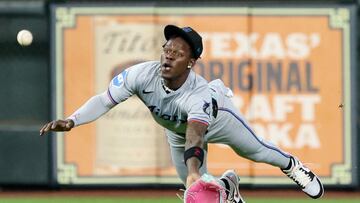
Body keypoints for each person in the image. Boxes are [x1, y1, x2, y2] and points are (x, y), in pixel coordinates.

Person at [40, 25, 323, 201]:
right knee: (200, 193)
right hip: (175, 132)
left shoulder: (197, 94)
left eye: (178, 52)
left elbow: (196, 136)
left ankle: (293, 165)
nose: (169, 55)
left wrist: (192, 172)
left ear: (192, 62)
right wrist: (73, 120)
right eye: (167, 49)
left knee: (256, 152)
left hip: (217, 119)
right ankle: (228, 188)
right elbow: (105, 100)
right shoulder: (141, 74)